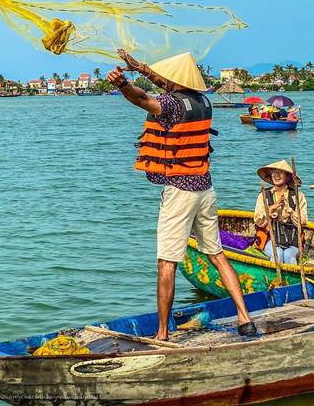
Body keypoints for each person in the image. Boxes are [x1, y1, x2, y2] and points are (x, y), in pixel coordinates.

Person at [107, 49, 256, 339]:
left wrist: (123, 84)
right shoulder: (202, 101)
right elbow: (165, 86)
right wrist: (141, 68)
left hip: (180, 191)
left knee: (166, 263)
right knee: (216, 254)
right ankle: (244, 317)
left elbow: (142, 99)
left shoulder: (171, 105)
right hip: (205, 187)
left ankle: (162, 333)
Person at [253, 161, 307, 265]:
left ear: (287, 177)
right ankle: (274, 280)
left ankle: (292, 280)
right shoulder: (264, 195)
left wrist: (290, 210)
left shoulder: (298, 196)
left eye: (281, 172)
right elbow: (258, 221)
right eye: (274, 171)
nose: (276, 175)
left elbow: (303, 221)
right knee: (277, 253)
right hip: (270, 239)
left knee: (288, 254)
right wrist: (272, 208)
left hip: (293, 242)